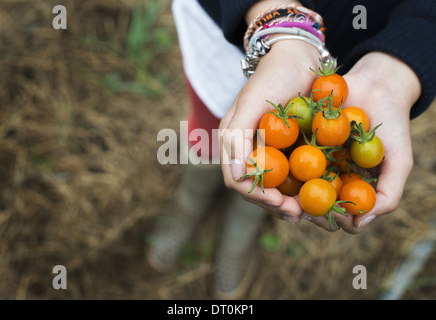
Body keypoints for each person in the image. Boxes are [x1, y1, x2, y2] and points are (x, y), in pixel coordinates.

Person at [146, 0, 436, 299]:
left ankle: (243, 220)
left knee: (265, 171)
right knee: (209, 130)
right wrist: (279, 21)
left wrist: (398, 68)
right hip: (226, 28)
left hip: (347, 63)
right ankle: (191, 200)